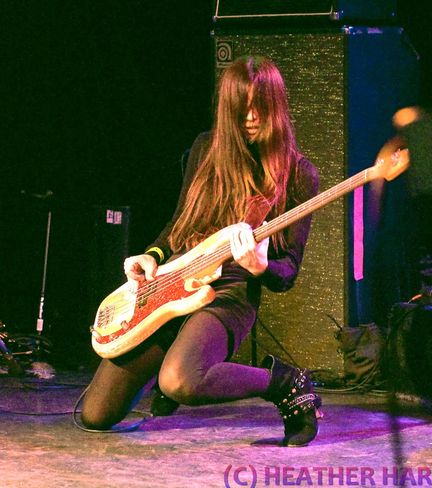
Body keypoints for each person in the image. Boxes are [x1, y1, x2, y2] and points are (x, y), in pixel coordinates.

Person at [81, 55, 322, 447]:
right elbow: (179, 225)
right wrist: (153, 256)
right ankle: (175, 352)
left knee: (180, 379)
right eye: (239, 107)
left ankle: (284, 382)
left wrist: (261, 266)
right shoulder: (205, 149)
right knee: (96, 415)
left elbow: (287, 272)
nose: (249, 116)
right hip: (173, 283)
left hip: (228, 292)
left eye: (259, 105)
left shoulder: (298, 174)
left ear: (275, 105)